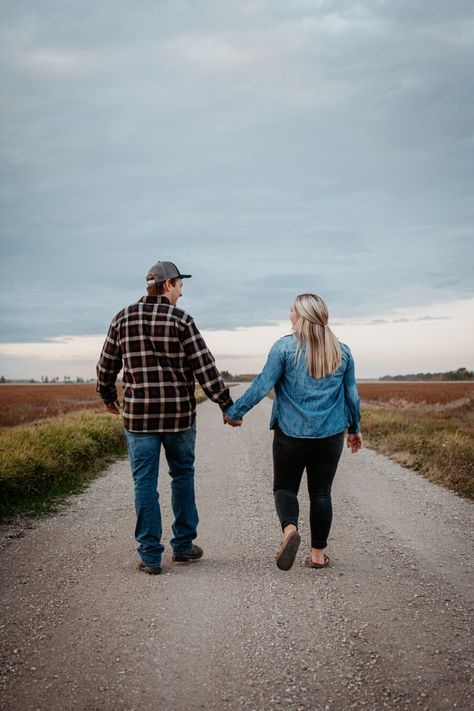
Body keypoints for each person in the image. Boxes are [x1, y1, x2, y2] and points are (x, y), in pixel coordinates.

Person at [97, 261, 234, 575]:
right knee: (182, 476)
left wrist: (108, 398)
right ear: (168, 284)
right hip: (178, 416)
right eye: (180, 286)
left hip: (138, 416)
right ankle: (183, 547)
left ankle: (150, 556)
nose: (182, 293)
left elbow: (106, 366)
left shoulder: (122, 318)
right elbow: (205, 367)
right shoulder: (181, 320)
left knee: (144, 483)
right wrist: (226, 405)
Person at [224, 293, 362, 571]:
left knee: (285, 487)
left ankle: (289, 531)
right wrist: (354, 429)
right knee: (321, 493)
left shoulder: (284, 348)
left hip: (291, 434)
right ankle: (318, 557)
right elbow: (352, 396)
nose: (289, 315)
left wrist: (235, 412)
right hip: (330, 434)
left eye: (291, 310)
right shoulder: (342, 351)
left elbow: (263, 385)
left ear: (301, 316)